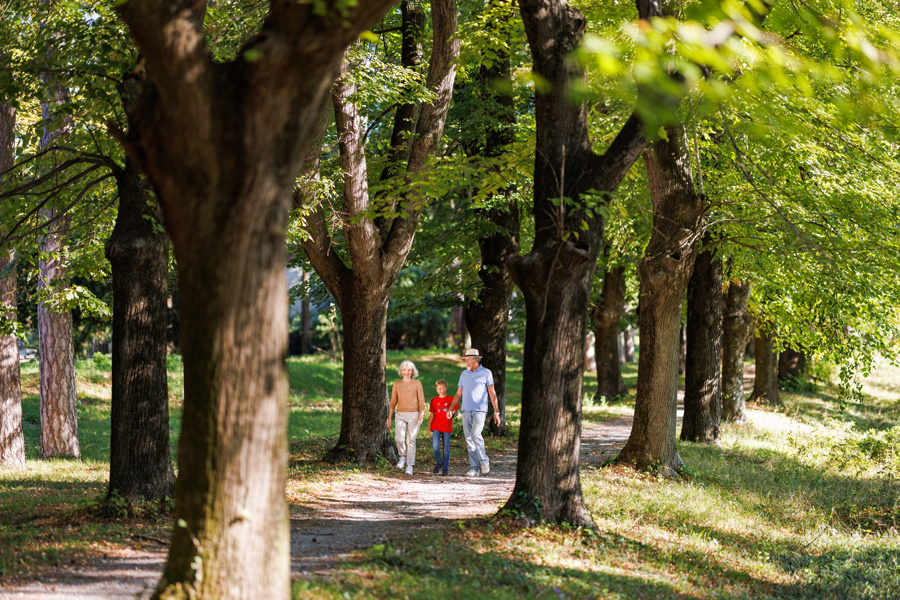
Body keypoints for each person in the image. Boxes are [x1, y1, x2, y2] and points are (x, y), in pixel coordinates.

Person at [448, 348, 500, 477]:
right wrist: (450, 408)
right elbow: (458, 393)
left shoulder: (486, 373)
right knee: (469, 440)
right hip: (465, 410)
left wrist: (496, 412)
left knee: (476, 435)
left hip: (479, 411)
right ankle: (474, 468)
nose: (466, 361)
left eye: (468, 359)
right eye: (465, 359)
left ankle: (484, 461)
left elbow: (492, 393)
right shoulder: (463, 374)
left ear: (476, 360)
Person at [387, 359, 425, 475]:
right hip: (400, 414)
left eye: (409, 370)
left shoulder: (417, 383)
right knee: (399, 438)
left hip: (414, 414)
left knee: (411, 440)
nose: (406, 372)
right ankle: (402, 456)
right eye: (404, 370)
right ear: (401, 371)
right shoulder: (397, 384)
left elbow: (421, 400)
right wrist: (389, 418)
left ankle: (410, 465)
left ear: (412, 371)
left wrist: (422, 413)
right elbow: (393, 402)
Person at [427, 379, 453, 476]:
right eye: (438, 388)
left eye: (442, 388)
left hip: (446, 427)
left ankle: (445, 468)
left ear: (446, 388)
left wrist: (452, 414)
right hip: (436, 426)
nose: (440, 390)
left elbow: (456, 412)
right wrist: (429, 427)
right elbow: (431, 415)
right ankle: (439, 462)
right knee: (435, 446)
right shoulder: (434, 400)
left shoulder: (450, 399)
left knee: (446, 449)